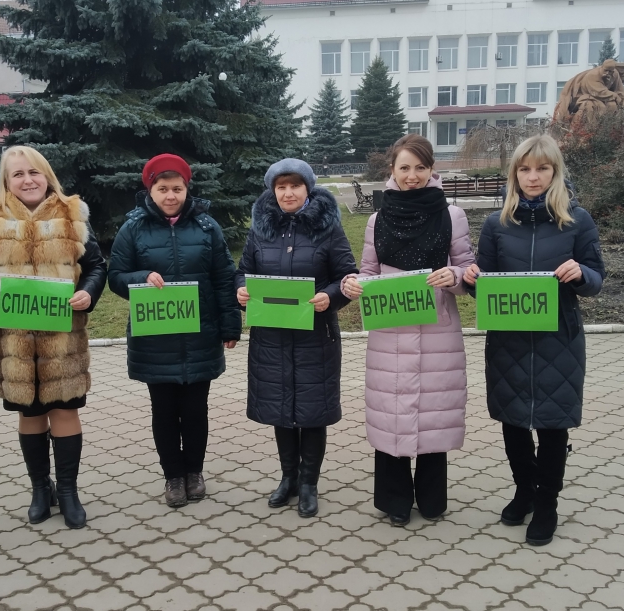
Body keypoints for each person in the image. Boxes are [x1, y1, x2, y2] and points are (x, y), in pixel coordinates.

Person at [463, 134, 605, 546]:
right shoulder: (497, 223)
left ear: (555, 171)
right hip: (507, 340)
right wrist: (472, 279)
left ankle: (547, 504)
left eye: (542, 168)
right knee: (513, 421)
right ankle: (524, 490)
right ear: (514, 174)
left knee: (553, 424)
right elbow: (484, 280)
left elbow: (596, 277)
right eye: (524, 169)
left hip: (557, 339)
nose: (533, 177)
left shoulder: (577, 220)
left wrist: (580, 273)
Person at [0, 146, 107, 529]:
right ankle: (41, 489)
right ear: (6, 181)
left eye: (34, 172)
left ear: (47, 175)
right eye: (18, 174)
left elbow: (96, 266)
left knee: (65, 411)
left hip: (63, 342)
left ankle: (68, 491)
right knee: (30, 413)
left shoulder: (72, 214)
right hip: (14, 343)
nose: (28, 180)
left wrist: (88, 293)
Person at [342, 134, 475, 526]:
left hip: (438, 331)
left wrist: (454, 277)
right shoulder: (377, 219)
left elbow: (469, 269)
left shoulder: (452, 215)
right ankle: (394, 499)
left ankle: (432, 498)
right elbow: (368, 272)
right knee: (392, 414)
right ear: (393, 170)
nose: (412, 175)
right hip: (390, 330)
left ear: (432, 169)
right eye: (405, 168)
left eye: (420, 167)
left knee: (434, 413)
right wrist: (353, 284)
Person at [108, 154, 241, 507]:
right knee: (164, 412)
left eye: (177, 189)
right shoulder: (133, 228)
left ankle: (194, 472)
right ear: (150, 191)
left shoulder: (207, 227)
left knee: (196, 411)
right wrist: (141, 278)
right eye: (163, 189)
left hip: (200, 334)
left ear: (187, 189)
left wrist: (230, 324)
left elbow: (223, 277)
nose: (170, 196)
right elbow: (115, 277)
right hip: (156, 338)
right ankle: (173, 477)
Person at [236, 159, 357, 518]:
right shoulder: (260, 230)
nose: (288, 193)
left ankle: (308, 484)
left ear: (308, 189)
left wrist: (330, 297)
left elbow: (347, 276)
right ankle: (288, 478)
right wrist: (241, 290)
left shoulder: (328, 229)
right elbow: (243, 271)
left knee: (312, 412)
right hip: (271, 336)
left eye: (295, 186)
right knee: (280, 410)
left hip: (315, 337)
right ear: (273, 191)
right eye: (281, 187)